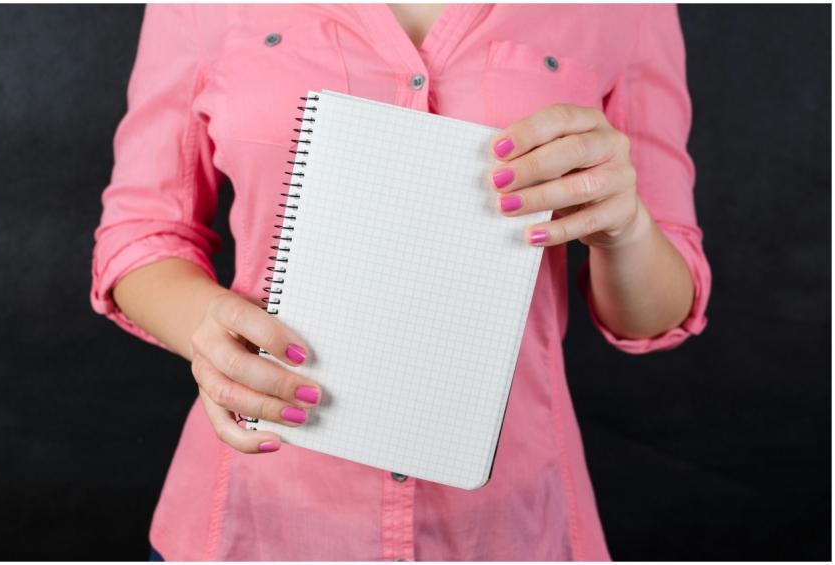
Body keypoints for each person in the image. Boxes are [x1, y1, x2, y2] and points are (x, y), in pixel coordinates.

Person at [90, 3, 711, 561]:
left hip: (510, 530)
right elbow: (142, 231)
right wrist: (207, 329)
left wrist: (625, 228)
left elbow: (656, 312)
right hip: (256, 519)